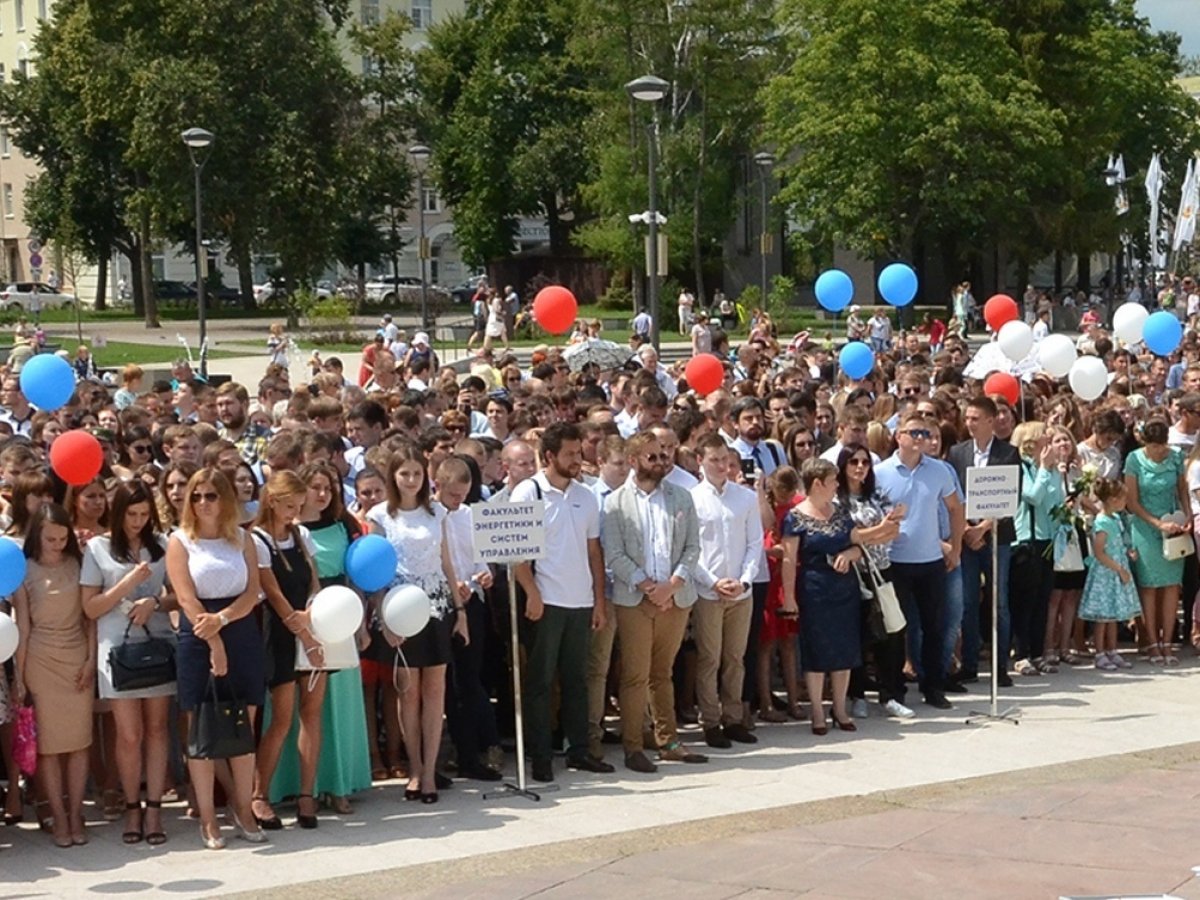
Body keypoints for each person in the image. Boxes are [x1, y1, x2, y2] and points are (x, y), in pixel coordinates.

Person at [165, 468, 266, 849]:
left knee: (244, 726)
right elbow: (186, 598)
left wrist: (223, 621)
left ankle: (243, 808)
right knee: (201, 729)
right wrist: (214, 643)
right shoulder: (180, 541)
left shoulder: (243, 539)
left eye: (210, 495)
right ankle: (208, 818)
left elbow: (253, 590)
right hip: (198, 636)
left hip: (239, 630)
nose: (203, 503)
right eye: (197, 496)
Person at [601, 432, 706, 773]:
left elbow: (692, 548)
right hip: (635, 600)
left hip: (675, 599)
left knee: (663, 673)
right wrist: (648, 587)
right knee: (634, 675)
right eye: (652, 457)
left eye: (663, 456)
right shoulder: (615, 503)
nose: (661, 463)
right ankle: (633, 744)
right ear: (633, 461)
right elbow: (614, 553)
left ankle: (669, 741)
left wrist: (672, 585)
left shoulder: (681, 497)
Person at [366, 442, 465, 803]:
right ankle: (414, 769)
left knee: (434, 692)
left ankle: (430, 772)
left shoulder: (437, 513)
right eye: (404, 473)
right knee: (408, 693)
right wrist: (382, 619)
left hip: (437, 607)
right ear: (393, 476)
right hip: (399, 610)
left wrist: (461, 612)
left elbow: (447, 562)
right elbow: (373, 572)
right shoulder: (380, 515)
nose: (410, 479)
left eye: (417, 473)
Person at [513, 423, 612, 780]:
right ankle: (540, 756)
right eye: (570, 453)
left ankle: (579, 750)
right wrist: (532, 594)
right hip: (546, 601)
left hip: (580, 601)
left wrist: (599, 600)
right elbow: (517, 555)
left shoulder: (586, 495)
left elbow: (594, 551)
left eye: (578, 452)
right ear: (550, 455)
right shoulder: (528, 493)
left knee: (576, 680)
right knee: (540, 682)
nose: (577, 459)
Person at [80, 483, 174, 846]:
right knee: (128, 734)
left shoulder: (163, 545)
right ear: (118, 513)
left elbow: (178, 595)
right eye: (131, 515)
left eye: (144, 514)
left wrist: (156, 602)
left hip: (157, 644)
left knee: (157, 730)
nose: (138, 522)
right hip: (116, 650)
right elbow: (90, 608)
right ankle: (131, 805)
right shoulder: (98, 548)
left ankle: (154, 808)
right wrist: (130, 583)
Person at [11, 504, 94, 848]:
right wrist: (19, 676)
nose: (57, 544)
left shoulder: (80, 563)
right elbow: (23, 628)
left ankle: (76, 813)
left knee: (79, 743)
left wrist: (90, 660)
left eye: (63, 538)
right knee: (49, 747)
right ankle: (58, 816)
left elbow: (90, 617)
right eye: (50, 538)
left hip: (77, 657)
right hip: (41, 661)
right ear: (37, 536)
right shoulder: (23, 571)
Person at [250, 472, 325, 831]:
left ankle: (307, 794)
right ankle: (258, 794)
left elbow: (313, 578)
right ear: (272, 501)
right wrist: (297, 625)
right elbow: (272, 591)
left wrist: (310, 613)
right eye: (289, 505)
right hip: (278, 633)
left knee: (312, 713)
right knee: (281, 718)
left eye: (299, 505)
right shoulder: (257, 539)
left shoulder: (301, 534)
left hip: (309, 624)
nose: (295, 513)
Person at [874, 414, 964, 709]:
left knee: (934, 627)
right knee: (894, 628)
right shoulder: (881, 472)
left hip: (930, 561)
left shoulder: (939, 471)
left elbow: (955, 508)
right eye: (914, 432)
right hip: (893, 561)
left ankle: (933, 686)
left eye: (925, 433)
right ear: (898, 436)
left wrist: (956, 548)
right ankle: (893, 689)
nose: (921, 438)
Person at [690, 436, 763, 748]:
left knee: (735, 657)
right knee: (709, 659)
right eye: (714, 460)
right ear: (700, 461)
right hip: (709, 592)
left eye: (725, 460)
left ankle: (733, 717)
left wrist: (744, 581)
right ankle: (710, 720)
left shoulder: (744, 498)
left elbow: (754, 544)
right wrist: (712, 582)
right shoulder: (691, 499)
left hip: (740, 593)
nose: (721, 466)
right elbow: (690, 550)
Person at [947, 397, 1020, 687]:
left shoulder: (1009, 453)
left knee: (998, 601)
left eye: (975, 418)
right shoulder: (957, 452)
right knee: (967, 602)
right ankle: (969, 663)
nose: (970, 423)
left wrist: (984, 528)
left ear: (991, 421)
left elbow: (1010, 497)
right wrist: (966, 529)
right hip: (966, 538)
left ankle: (1000, 665)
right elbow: (951, 495)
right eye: (967, 418)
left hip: (996, 538)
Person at [836, 445, 909, 719]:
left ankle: (891, 694)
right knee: (856, 636)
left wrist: (867, 536)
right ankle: (857, 695)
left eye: (865, 462)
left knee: (891, 632)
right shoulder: (837, 501)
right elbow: (847, 537)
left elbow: (892, 532)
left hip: (882, 570)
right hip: (853, 575)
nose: (860, 467)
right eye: (853, 462)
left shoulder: (877, 495)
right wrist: (874, 533)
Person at [1124, 419, 1189, 666]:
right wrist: (1155, 523)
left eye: (1162, 446)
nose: (1160, 451)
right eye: (1155, 447)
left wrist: (1188, 515)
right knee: (1149, 585)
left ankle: (1168, 641)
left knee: (1172, 584)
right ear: (1145, 443)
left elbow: (1182, 490)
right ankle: (1151, 641)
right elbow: (1132, 501)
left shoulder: (1175, 457)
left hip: (1173, 525)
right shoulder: (1134, 459)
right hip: (1145, 527)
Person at [1079, 479, 1140, 671]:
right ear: (1113, 500)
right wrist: (1119, 568)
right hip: (1106, 573)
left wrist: (1128, 553)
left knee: (1113, 615)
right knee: (1103, 617)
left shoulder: (1115, 519)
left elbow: (1118, 543)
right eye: (1122, 498)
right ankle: (1099, 653)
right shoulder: (1103, 522)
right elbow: (1099, 552)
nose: (1125, 502)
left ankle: (1112, 650)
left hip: (1116, 570)